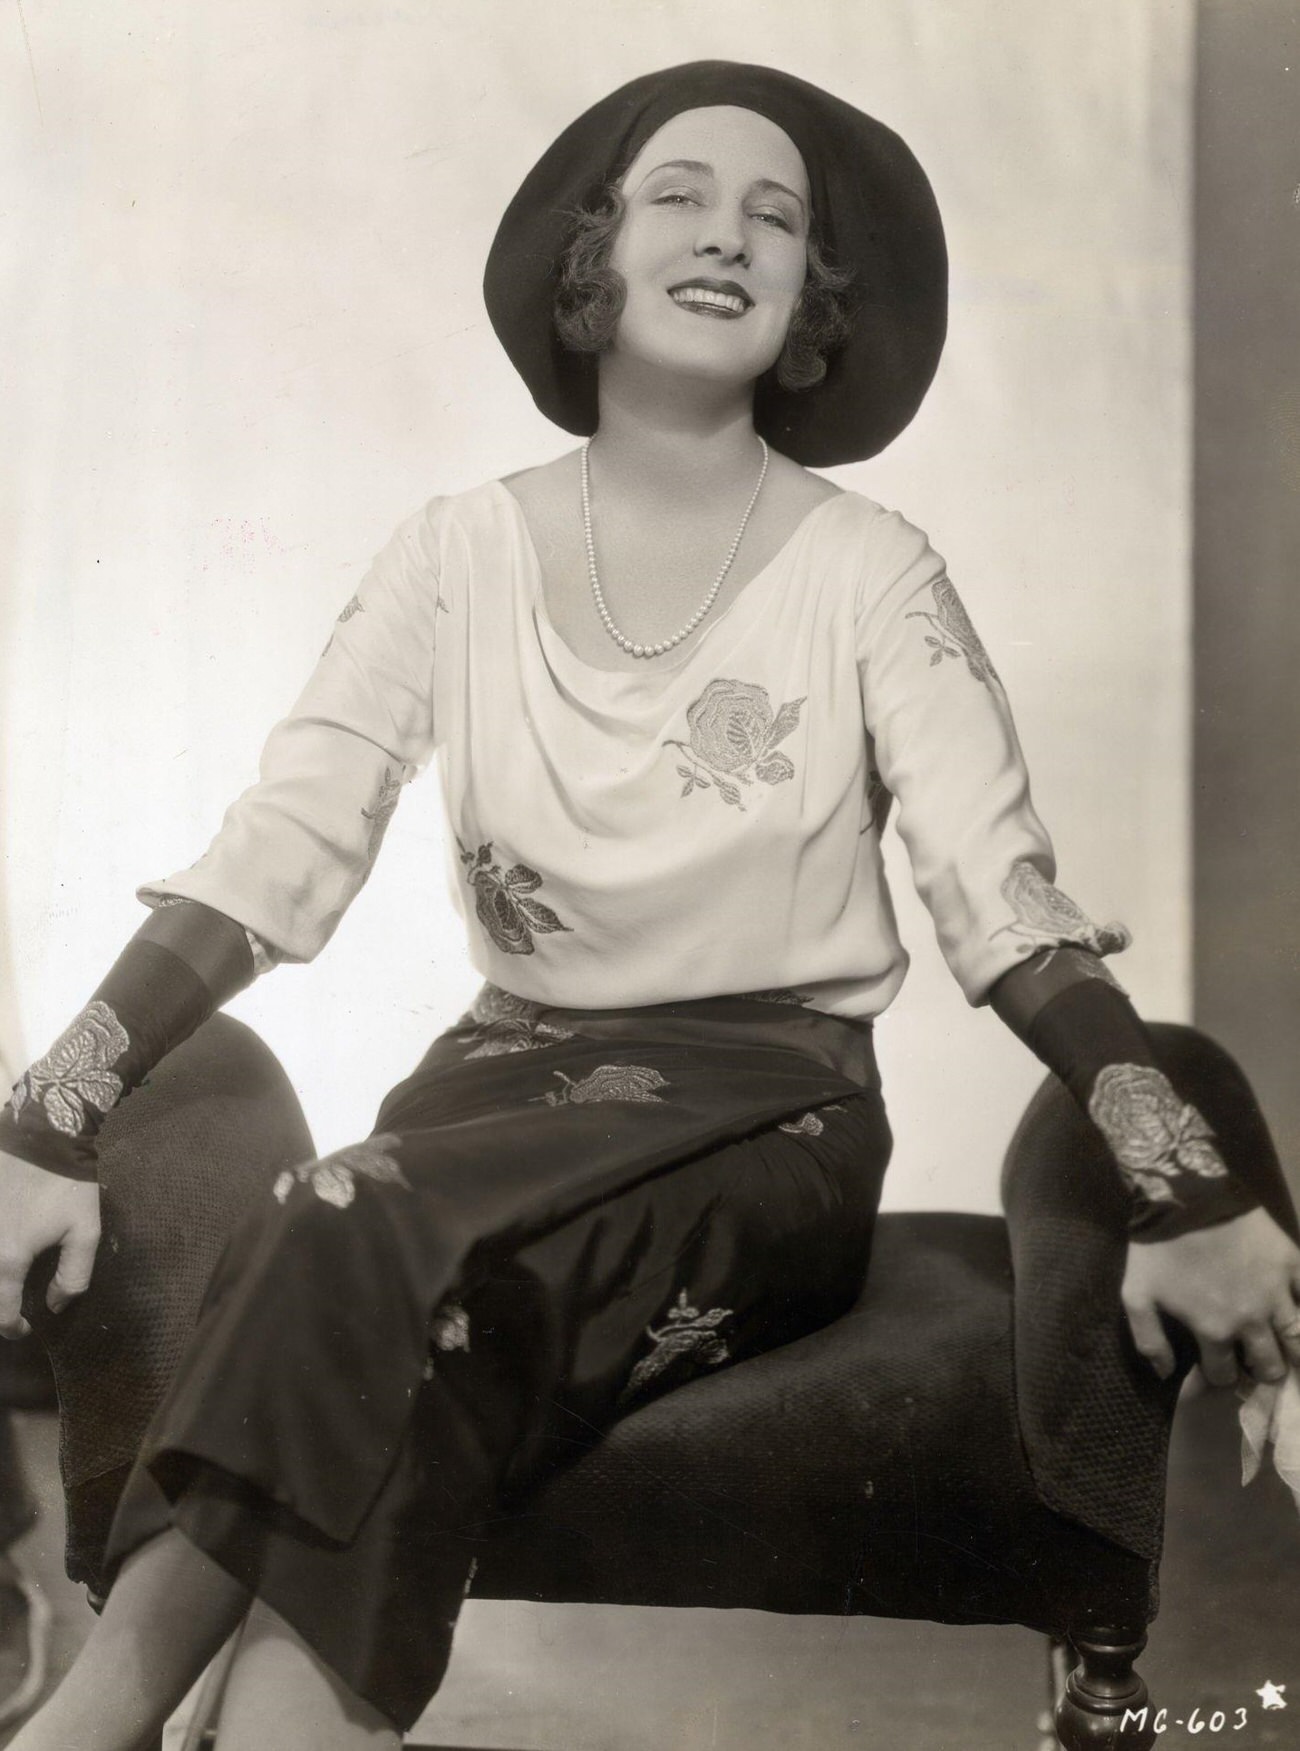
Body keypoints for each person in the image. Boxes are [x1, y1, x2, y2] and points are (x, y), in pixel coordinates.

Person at [1, 60, 1298, 1751]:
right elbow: (281, 849)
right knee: (431, 1338)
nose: (728, 235)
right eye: (679, 194)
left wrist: (1184, 1185)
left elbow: (1006, 902)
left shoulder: (869, 569)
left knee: (339, 1218)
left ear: (812, 297)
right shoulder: (452, 553)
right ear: (591, 254)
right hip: (482, 1115)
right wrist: (51, 1110)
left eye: (778, 217)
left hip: (774, 1122)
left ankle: (87, 1722)